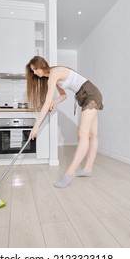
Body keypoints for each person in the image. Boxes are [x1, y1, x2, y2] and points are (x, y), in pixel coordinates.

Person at [25, 56, 104, 188]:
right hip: (87, 94)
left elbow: (46, 102)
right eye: (32, 71)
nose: (35, 73)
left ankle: (70, 172)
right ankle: (87, 169)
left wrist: (36, 126)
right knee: (92, 134)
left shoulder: (54, 74)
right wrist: (55, 102)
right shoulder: (53, 77)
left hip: (90, 94)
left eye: (35, 69)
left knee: (82, 133)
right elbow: (63, 95)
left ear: (42, 64)